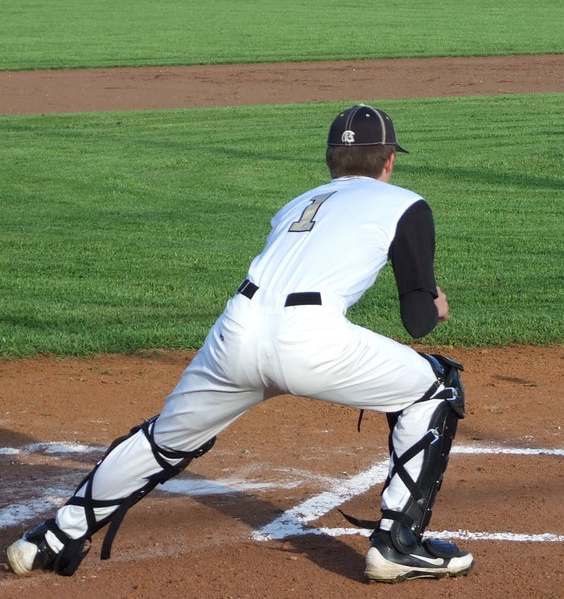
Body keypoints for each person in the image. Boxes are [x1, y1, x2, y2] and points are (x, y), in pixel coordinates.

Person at [6, 104, 473, 583]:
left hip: (236, 330)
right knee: (437, 386)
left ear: (331, 160)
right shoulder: (405, 204)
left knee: (162, 440)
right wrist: (436, 304)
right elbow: (417, 320)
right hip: (313, 340)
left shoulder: (297, 204)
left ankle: (49, 539)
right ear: (389, 161)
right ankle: (399, 543)